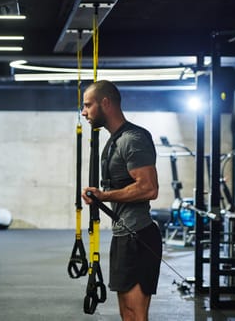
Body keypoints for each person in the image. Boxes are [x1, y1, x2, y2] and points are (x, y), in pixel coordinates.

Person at [80, 80, 162, 321]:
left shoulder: (133, 139)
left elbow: (149, 188)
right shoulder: (114, 140)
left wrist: (104, 196)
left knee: (136, 314)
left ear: (105, 103)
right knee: (126, 313)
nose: (84, 112)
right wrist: (99, 197)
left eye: (88, 105)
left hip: (139, 235)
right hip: (123, 235)